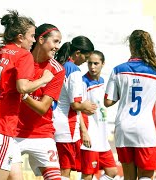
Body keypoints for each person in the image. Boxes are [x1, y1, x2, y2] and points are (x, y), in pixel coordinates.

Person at [0, 10, 54, 180]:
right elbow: (22, 87)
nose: (34, 40)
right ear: (20, 37)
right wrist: (44, 80)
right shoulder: (23, 55)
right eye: (32, 36)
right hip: (1, 127)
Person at [104, 30, 156, 179]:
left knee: (129, 177)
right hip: (145, 129)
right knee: (146, 176)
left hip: (124, 127)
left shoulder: (118, 70)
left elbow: (108, 102)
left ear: (131, 45)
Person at [15, 23, 65, 180]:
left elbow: (43, 108)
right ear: (41, 39)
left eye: (59, 42)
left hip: (42, 133)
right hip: (12, 132)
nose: (57, 47)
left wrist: (23, 94)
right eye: (55, 41)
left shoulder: (57, 70)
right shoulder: (20, 60)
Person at [52, 37, 97, 179]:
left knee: (55, 169)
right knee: (65, 170)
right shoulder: (74, 70)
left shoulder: (58, 65)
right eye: (86, 57)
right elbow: (75, 104)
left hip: (52, 120)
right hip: (66, 125)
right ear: (77, 53)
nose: (85, 61)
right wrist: (86, 106)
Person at [80, 50, 117, 180]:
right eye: (90, 63)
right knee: (87, 175)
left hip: (102, 137)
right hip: (90, 135)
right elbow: (77, 109)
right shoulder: (83, 82)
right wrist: (84, 132)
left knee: (112, 172)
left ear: (103, 64)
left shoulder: (102, 81)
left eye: (96, 63)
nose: (92, 67)